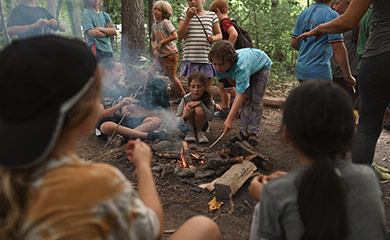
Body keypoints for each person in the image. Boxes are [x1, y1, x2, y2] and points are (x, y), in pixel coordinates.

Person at [0, 35, 222, 240]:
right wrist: (143, 167)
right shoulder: (99, 181)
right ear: (84, 111)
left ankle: (148, 132)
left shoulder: (9, 176)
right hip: (114, 136)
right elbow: (152, 230)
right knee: (204, 226)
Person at [248, 80, 386, 240]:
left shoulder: (275, 194)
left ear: (287, 134)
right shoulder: (368, 179)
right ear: (350, 134)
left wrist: (266, 201)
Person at [297, 0, 390, 165]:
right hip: (326, 72)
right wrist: (348, 74)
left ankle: (357, 183)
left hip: (376, 57)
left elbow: (347, 21)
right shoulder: (329, 14)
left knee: (366, 128)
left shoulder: (307, 13)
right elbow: (339, 46)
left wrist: (319, 29)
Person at [209, 40, 272, 146]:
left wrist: (228, 120)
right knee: (246, 100)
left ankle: (254, 133)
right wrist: (240, 90)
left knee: (256, 100)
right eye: (215, 64)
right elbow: (228, 81)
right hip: (248, 66)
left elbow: (239, 95)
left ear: (230, 60)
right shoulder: (217, 67)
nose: (218, 68)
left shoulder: (240, 67)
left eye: (221, 64)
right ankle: (243, 132)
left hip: (261, 66)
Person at [98, 57, 167, 142]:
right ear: (107, 72)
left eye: (121, 70)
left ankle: (124, 137)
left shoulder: (122, 88)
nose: (121, 74)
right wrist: (119, 105)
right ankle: (148, 135)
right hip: (107, 124)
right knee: (106, 126)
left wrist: (127, 110)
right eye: (117, 71)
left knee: (156, 120)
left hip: (121, 123)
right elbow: (101, 115)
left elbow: (123, 113)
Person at [290, 0, 356, 87]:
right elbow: (338, 47)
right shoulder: (331, 15)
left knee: (309, 99)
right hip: (319, 71)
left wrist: (308, 50)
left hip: (302, 69)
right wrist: (348, 76)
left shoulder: (304, 13)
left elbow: (293, 42)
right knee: (323, 100)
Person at [177, 0, 222, 92]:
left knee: (207, 89)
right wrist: (188, 18)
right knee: (193, 89)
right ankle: (193, 106)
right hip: (190, 58)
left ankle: (206, 106)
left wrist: (213, 38)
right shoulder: (184, 16)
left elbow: (220, 35)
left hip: (206, 59)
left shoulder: (212, 16)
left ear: (203, 1)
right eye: (190, 0)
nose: (193, 1)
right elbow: (180, 35)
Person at [145, 0, 186, 98]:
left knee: (172, 77)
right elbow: (152, 39)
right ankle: (144, 92)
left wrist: (162, 42)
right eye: (155, 9)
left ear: (164, 12)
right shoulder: (154, 26)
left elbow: (175, 36)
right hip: (160, 55)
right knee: (149, 72)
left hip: (170, 54)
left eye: (158, 10)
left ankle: (184, 95)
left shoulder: (166, 22)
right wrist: (154, 47)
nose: (155, 11)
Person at [209, 0, 237, 119]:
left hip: (227, 60)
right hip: (225, 61)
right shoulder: (228, 21)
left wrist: (227, 51)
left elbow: (234, 34)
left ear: (217, 11)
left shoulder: (224, 22)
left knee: (229, 87)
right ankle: (226, 109)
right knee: (222, 85)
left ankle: (246, 103)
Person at [330, 0, 359, 103]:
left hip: (350, 75)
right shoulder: (329, 21)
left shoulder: (356, 23)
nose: (334, 7)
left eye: (337, 3)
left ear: (348, 3)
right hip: (332, 73)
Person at [176, 71, 215, 143]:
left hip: (202, 126)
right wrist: (184, 116)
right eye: (193, 86)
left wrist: (201, 104)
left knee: (198, 109)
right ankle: (190, 132)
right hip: (187, 127)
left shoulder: (208, 98)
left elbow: (211, 117)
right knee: (189, 108)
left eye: (199, 86)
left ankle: (199, 132)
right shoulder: (185, 99)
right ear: (189, 87)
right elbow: (176, 122)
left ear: (205, 87)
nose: (196, 90)